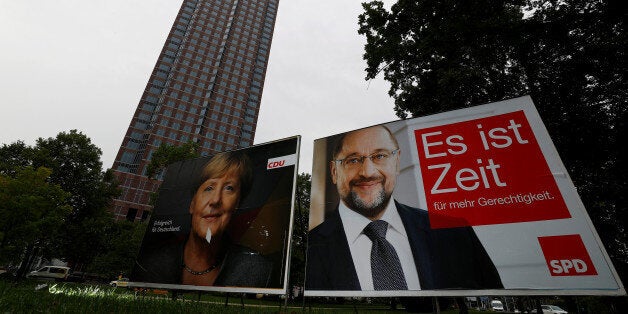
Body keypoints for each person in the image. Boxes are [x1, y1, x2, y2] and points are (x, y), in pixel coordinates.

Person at [306, 125, 503, 291]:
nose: (367, 172)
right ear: (334, 171)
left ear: (397, 162)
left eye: (379, 156)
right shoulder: (309, 246)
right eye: (353, 160)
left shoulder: (456, 233)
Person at [133, 151, 275, 287]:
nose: (215, 200)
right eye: (209, 188)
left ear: (238, 204)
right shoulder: (150, 263)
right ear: (192, 203)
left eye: (229, 188)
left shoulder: (258, 270)